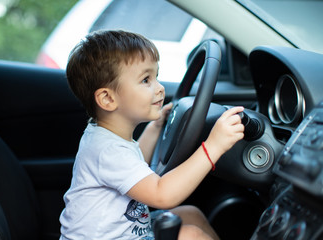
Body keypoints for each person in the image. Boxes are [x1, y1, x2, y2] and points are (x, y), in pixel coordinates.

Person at [59, 30, 244, 240]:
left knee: (190, 215)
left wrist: (156, 127)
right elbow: (162, 195)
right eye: (146, 80)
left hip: (125, 233)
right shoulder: (108, 150)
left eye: (156, 76)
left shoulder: (108, 136)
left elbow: (136, 167)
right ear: (108, 99)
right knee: (189, 234)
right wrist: (213, 146)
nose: (160, 88)